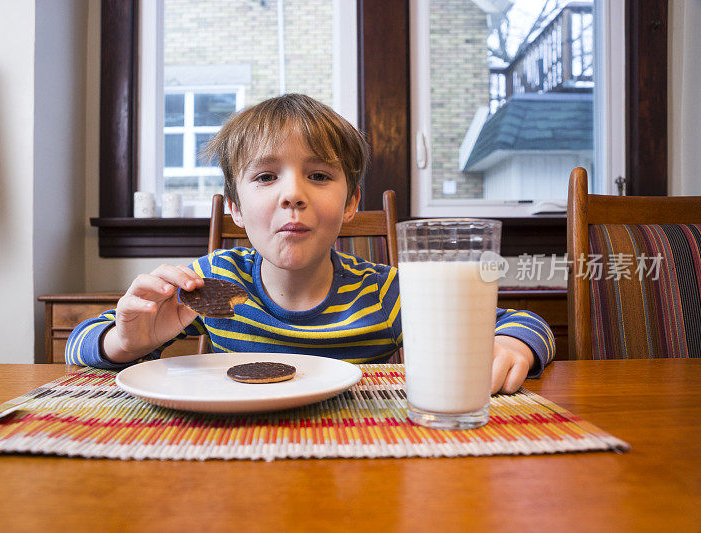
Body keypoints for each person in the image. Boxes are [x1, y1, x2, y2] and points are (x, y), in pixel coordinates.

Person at [67, 93, 554, 394]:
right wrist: (125, 342)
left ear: (350, 203)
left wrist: (513, 342)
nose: (293, 195)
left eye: (319, 175)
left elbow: (523, 320)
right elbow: (78, 345)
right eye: (265, 176)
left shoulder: (387, 294)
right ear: (234, 207)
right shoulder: (210, 281)